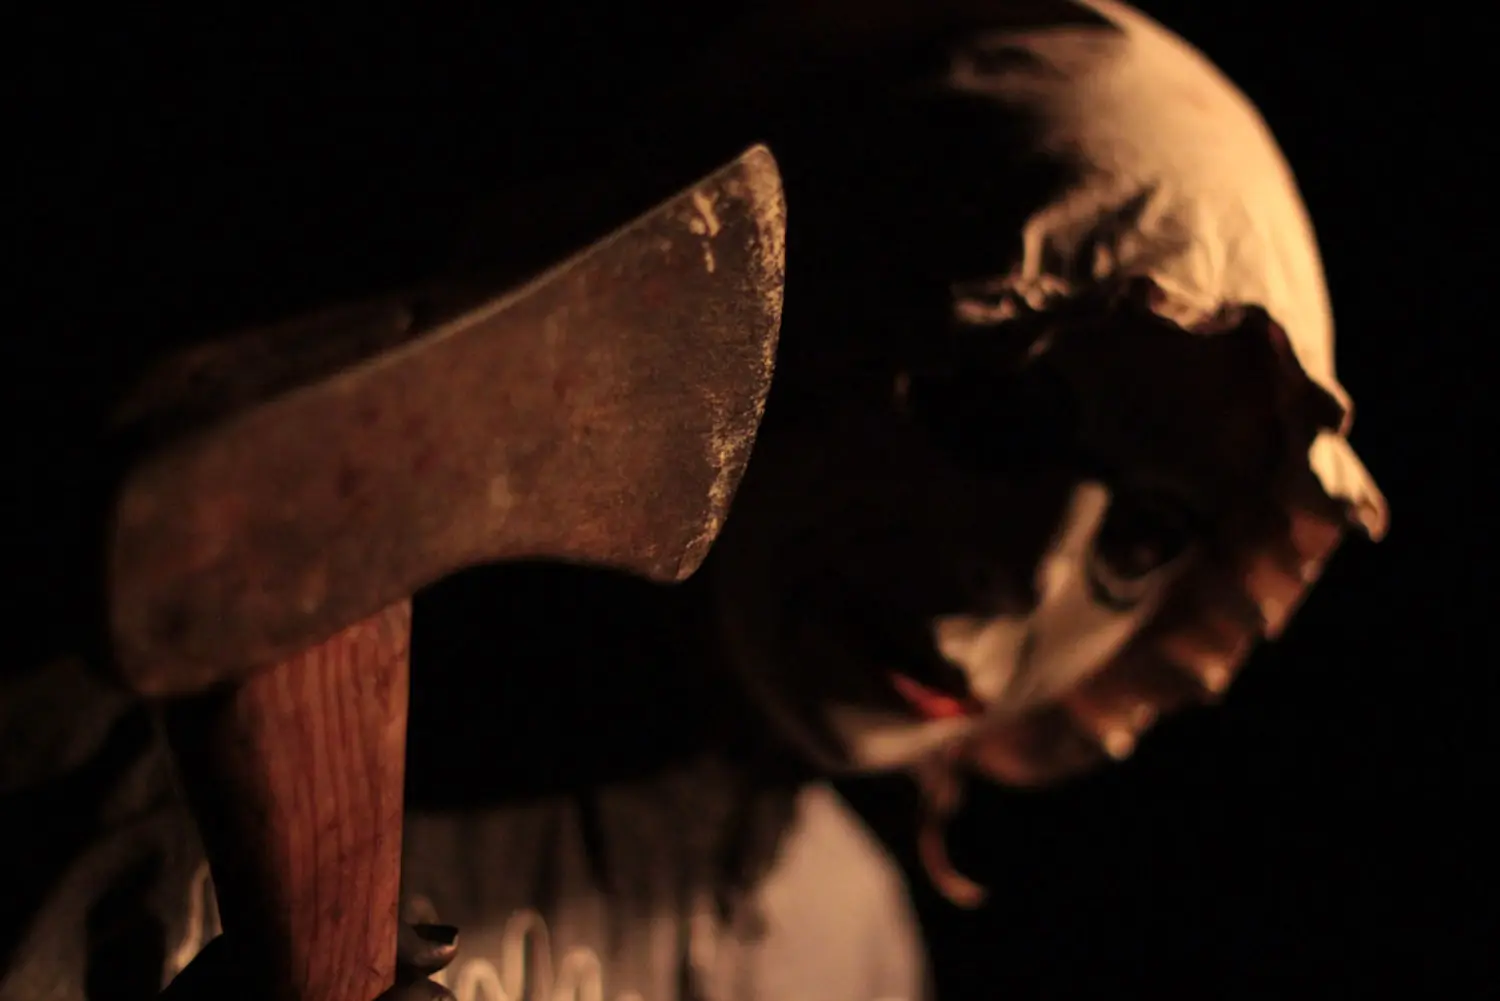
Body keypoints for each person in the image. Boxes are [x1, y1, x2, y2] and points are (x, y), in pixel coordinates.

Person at [1, 2, 1386, 999]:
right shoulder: (139, 802)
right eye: (994, 415)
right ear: (795, 324)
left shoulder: (845, 950)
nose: (1028, 576)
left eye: (1147, 533)